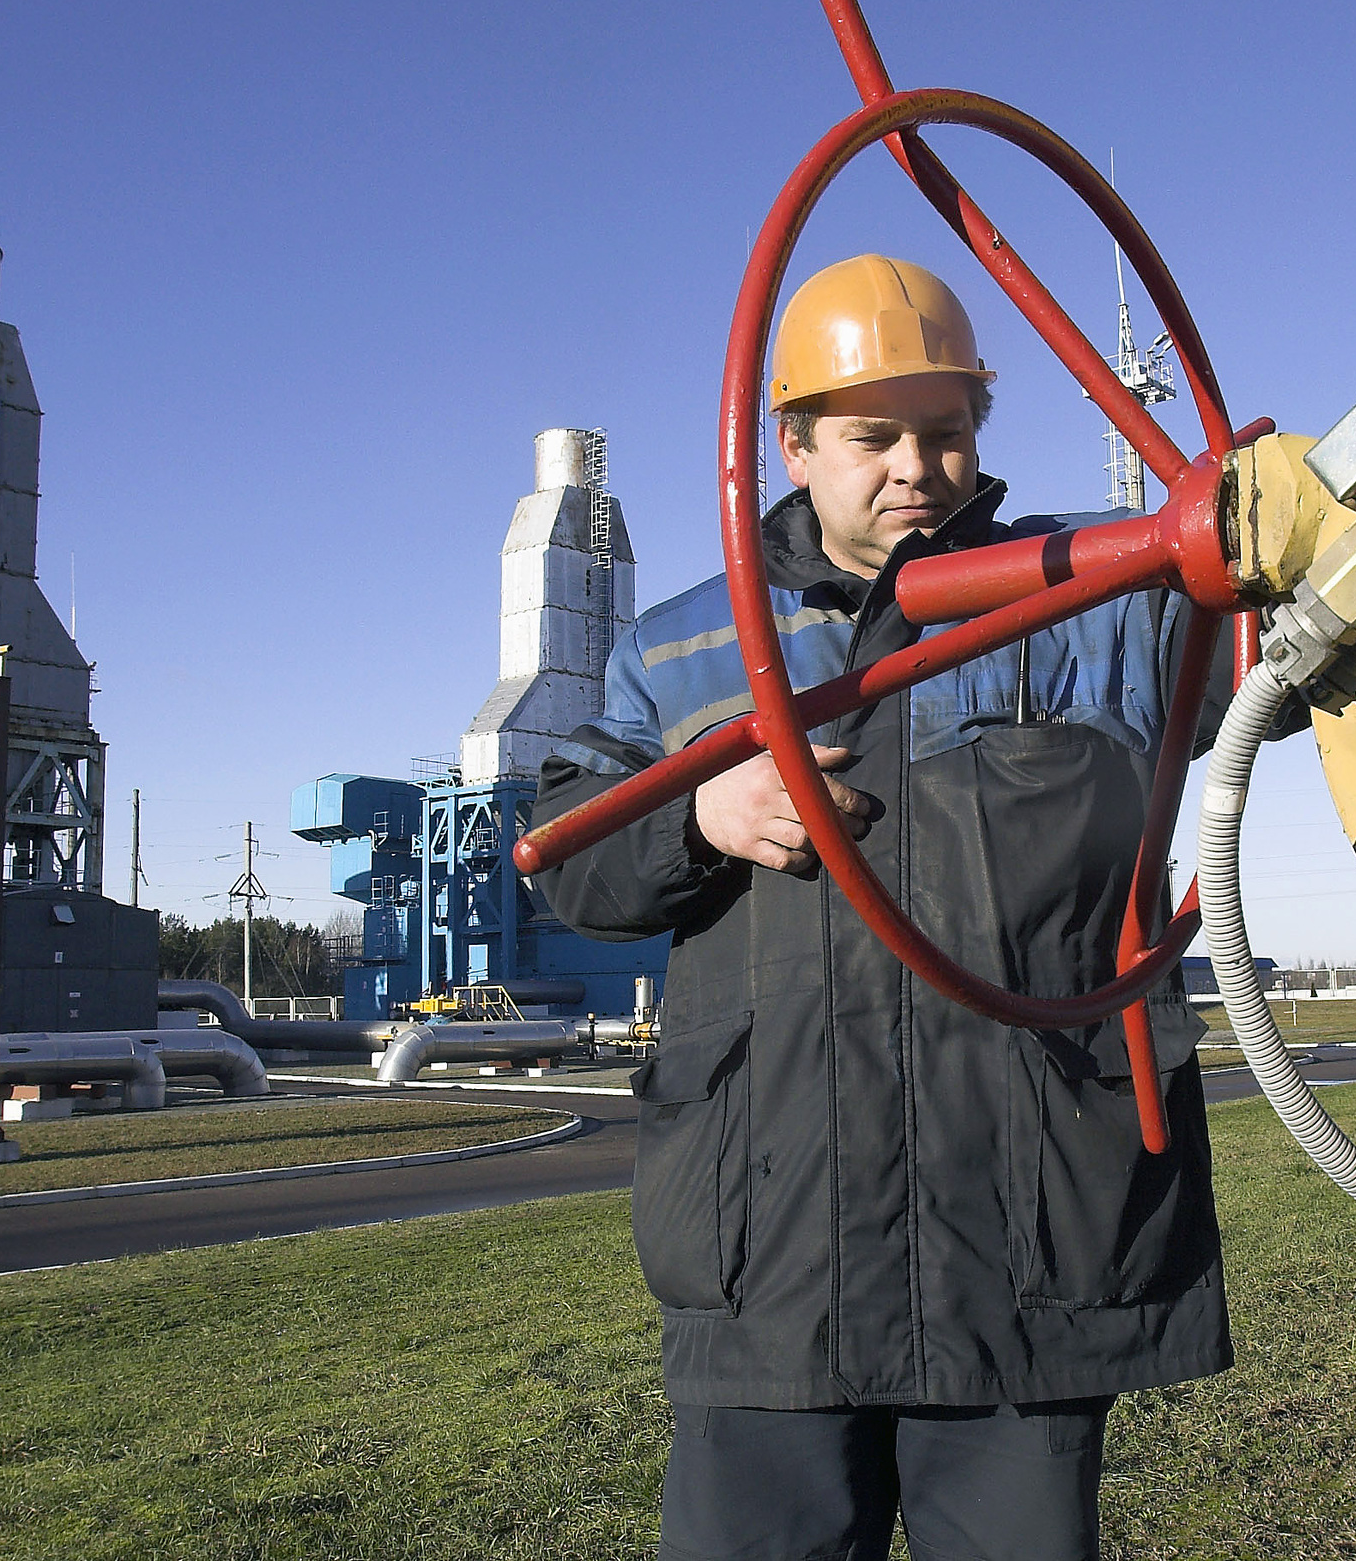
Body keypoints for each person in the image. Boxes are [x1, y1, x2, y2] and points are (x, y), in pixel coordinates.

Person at [534, 253, 1246, 1561]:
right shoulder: (682, 651)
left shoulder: (1100, 601)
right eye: (875, 436)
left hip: (1026, 1249)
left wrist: (1290, 542)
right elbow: (566, 858)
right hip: (774, 1260)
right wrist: (699, 816)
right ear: (794, 445)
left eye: (947, 432)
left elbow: (1285, 657)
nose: (916, 466)